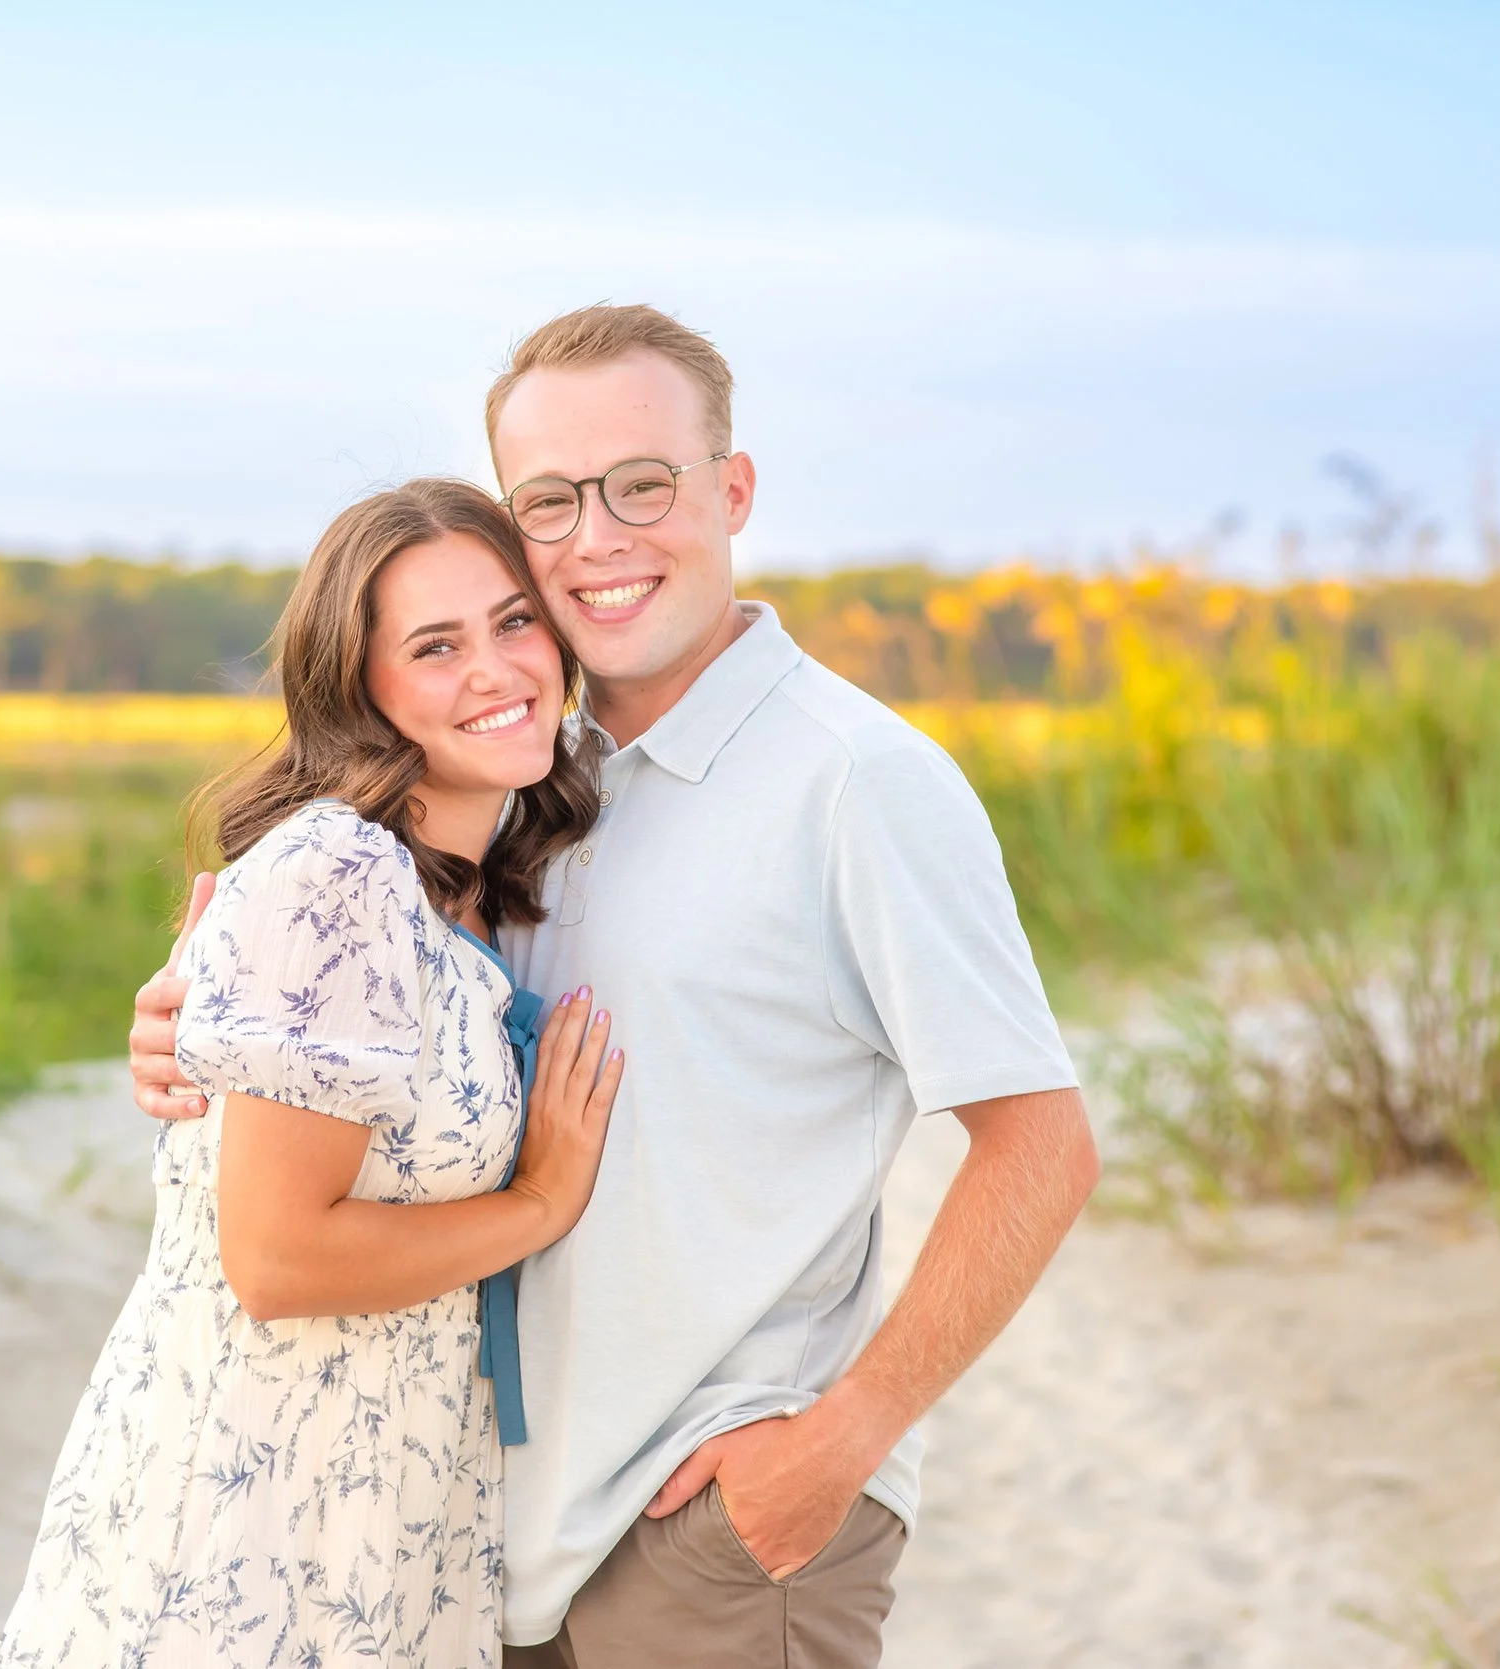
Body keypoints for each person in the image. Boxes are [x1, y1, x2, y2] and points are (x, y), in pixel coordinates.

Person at [128, 306, 1101, 1669]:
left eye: (644, 483)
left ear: (733, 490)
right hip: (484, 1533)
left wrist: (841, 1445)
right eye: (551, 502)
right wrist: (185, 1021)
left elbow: (1041, 1145)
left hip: (714, 1521)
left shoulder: (856, 781)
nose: (600, 537)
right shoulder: (527, 779)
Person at [0, 478, 625, 1668]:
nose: (494, 668)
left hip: (386, 1529)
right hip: (244, 1530)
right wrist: (539, 1202)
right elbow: (277, 1260)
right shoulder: (340, 872)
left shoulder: (474, 892)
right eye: (435, 645)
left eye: (513, 621)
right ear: (360, 686)